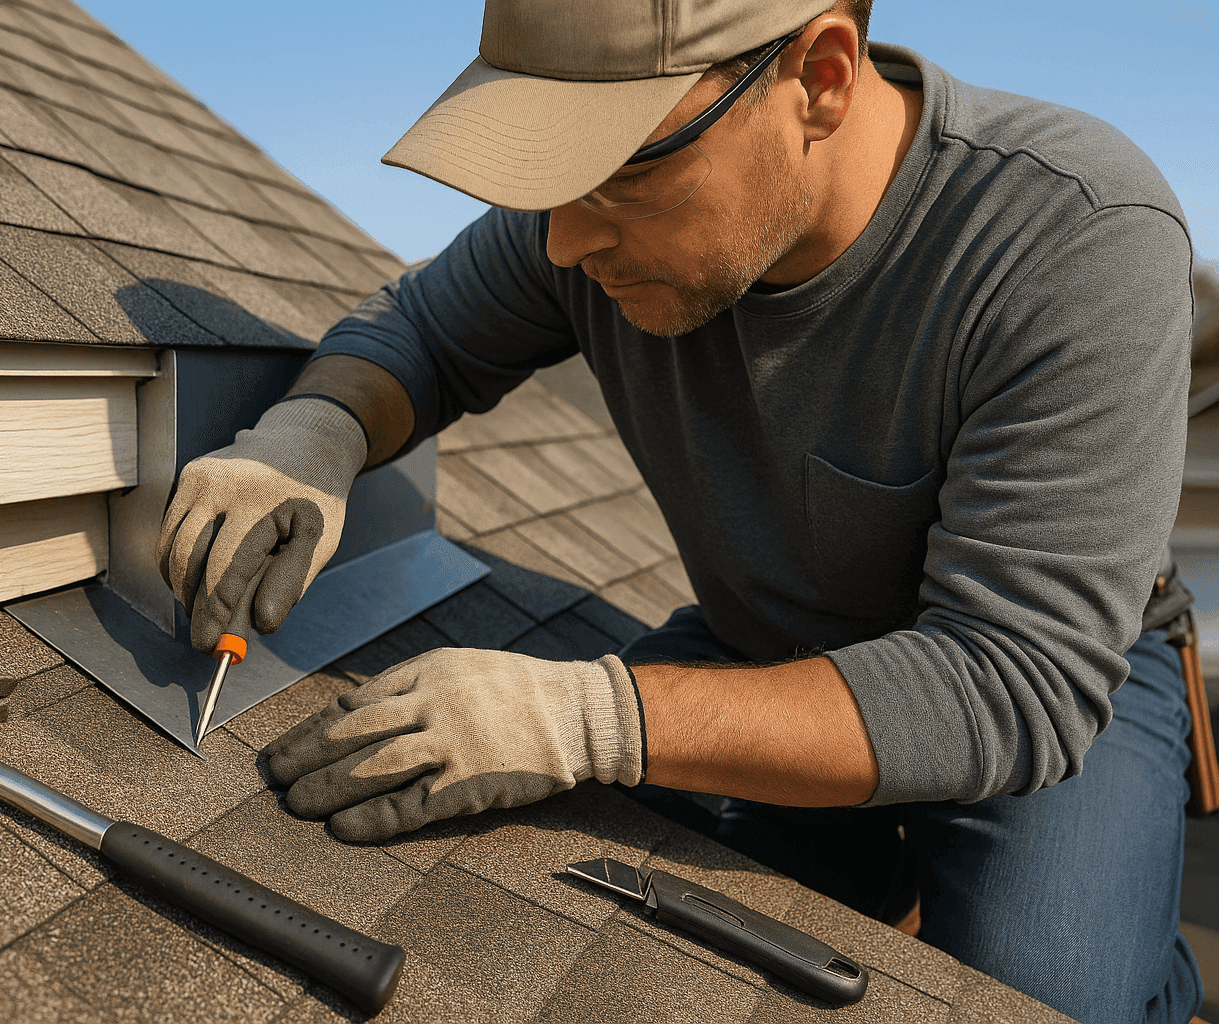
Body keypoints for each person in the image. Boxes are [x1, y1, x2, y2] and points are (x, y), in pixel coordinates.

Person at [157, 1, 1200, 1019]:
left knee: (1044, 993)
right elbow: (418, 332)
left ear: (821, 78)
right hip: (768, 643)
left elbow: (1011, 681)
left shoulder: (1075, 234)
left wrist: (588, 719)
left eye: (622, 170)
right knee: (598, 899)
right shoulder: (574, 226)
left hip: (1034, 675)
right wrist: (315, 436)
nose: (561, 242)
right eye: (552, 174)